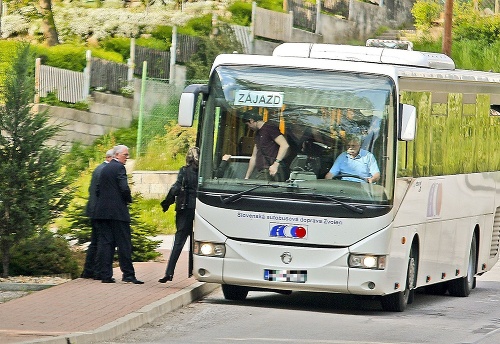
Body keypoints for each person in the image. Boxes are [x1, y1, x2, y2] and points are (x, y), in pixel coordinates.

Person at [93, 145, 144, 284]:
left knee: (106, 244)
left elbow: (98, 189)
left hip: (102, 212)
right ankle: (128, 275)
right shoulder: (120, 168)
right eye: (125, 155)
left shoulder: (104, 168)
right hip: (117, 212)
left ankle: (105, 275)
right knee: (124, 244)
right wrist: (128, 199)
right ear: (117, 155)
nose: (127, 157)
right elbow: (124, 187)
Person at [159, 147, 200, 283]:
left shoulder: (184, 171)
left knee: (179, 242)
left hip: (185, 208)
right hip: (200, 209)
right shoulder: (203, 173)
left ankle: (169, 272)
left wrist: (166, 203)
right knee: (200, 241)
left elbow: (176, 188)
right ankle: (198, 270)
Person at [80, 148, 114, 280]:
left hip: (93, 210)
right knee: (102, 242)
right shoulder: (104, 171)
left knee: (94, 242)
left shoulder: (98, 169)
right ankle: (98, 271)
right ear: (109, 158)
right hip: (100, 211)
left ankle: (88, 271)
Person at [243, 111, 289, 181]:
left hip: (270, 170)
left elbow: (284, 145)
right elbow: (254, 156)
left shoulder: (270, 128)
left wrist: (275, 164)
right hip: (264, 171)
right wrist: (247, 177)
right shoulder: (257, 134)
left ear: (251, 121)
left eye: (247, 125)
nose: (249, 128)